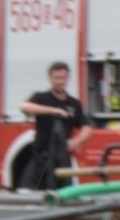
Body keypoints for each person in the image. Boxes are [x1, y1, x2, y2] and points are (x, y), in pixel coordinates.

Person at [19, 61, 90, 191]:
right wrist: (54, 111)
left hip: (62, 157)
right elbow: (24, 106)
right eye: (56, 78)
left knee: (65, 192)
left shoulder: (74, 104)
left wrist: (75, 142)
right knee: (37, 191)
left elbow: (87, 128)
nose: (59, 82)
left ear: (68, 78)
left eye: (62, 78)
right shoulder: (41, 97)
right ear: (50, 78)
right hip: (42, 156)